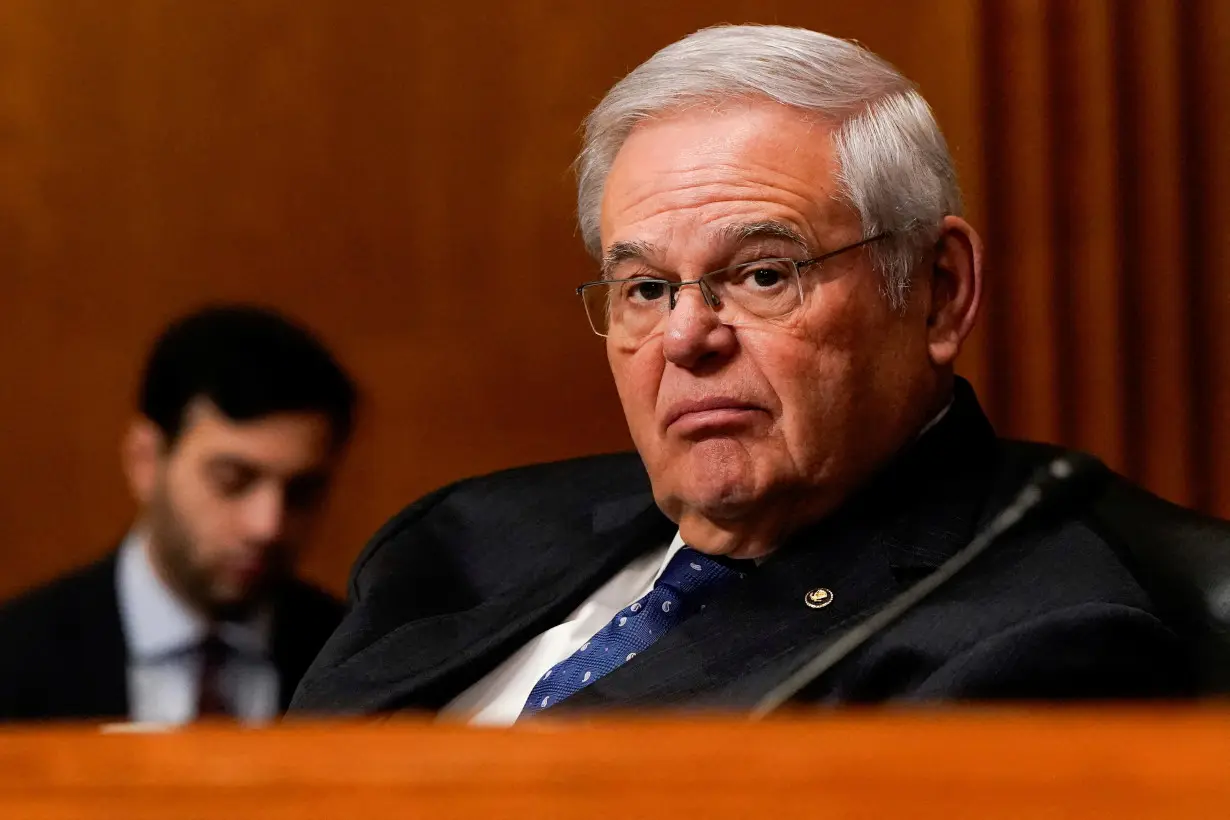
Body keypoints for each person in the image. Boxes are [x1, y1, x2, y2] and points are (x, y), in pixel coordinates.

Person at [291, 25, 1195, 723]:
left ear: (937, 292)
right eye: (644, 287)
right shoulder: (460, 541)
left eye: (764, 273)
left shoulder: (1029, 649)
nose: (686, 337)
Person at [0, 304, 356, 724]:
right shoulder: (15, 658)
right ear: (146, 460)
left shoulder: (358, 662)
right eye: (232, 480)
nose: (267, 525)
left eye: (301, 491)